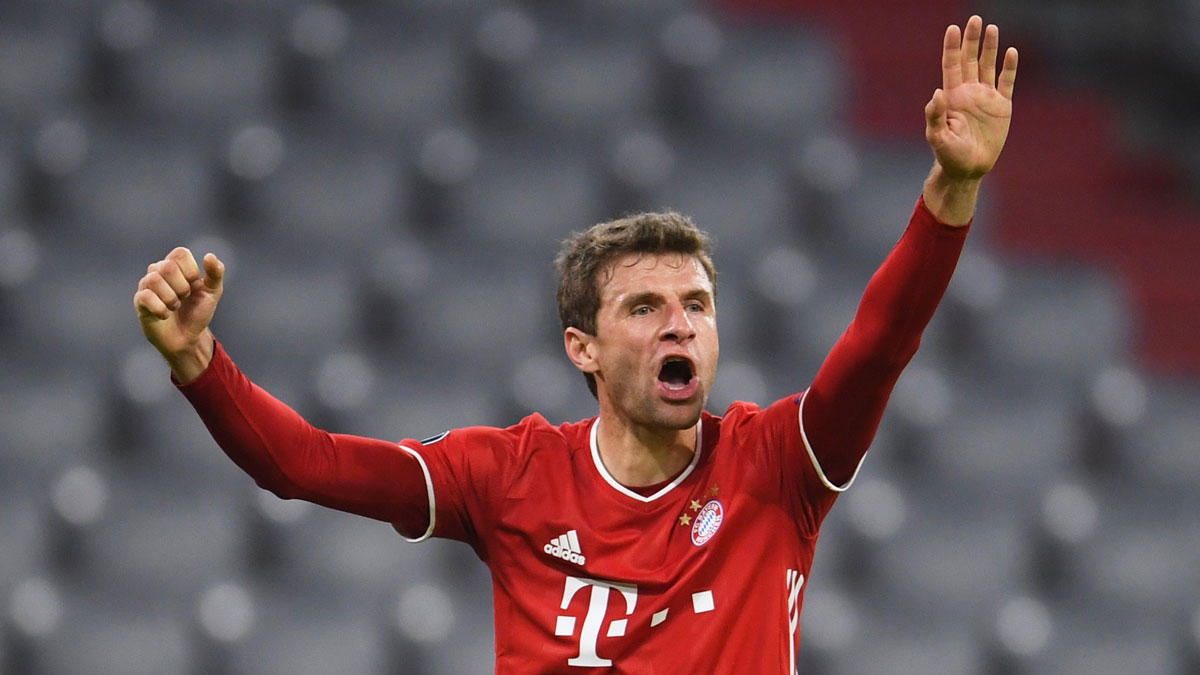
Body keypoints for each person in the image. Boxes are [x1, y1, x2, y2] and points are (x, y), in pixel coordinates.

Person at [133, 16, 1018, 673]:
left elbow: (880, 342)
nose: (680, 324)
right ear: (581, 347)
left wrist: (951, 188)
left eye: (698, 304)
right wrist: (198, 364)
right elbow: (307, 463)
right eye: (644, 307)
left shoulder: (779, 465)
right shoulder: (510, 476)